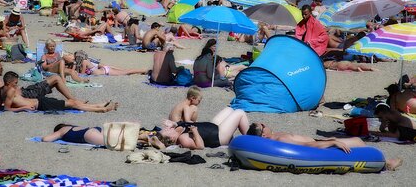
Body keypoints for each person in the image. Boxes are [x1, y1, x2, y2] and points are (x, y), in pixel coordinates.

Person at [246, 122, 402, 170]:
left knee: (356, 141)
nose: (265, 124)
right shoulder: (281, 139)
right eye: (262, 125)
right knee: (359, 142)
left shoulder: (277, 136)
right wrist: (332, 142)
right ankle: (386, 163)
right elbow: (307, 146)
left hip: (317, 141)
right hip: (318, 146)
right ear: (264, 135)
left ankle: (385, 162)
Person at [0, 71, 117, 112]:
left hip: (40, 101)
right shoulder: (10, 91)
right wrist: (23, 108)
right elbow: (6, 109)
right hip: (40, 104)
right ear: (9, 83)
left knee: (71, 104)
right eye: (15, 83)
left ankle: (99, 105)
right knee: (72, 104)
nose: (17, 85)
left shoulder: (4, 91)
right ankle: (101, 109)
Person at [0, 60, 81, 106]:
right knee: (56, 78)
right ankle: (74, 101)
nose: (2, 69)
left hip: (27, 91)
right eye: (0, 68)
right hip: (27, 95)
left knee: (54, 79)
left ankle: (73, 100)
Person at [155, 107, 249, 150]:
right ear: (171, 138)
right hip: (218, 136)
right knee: (239, 112)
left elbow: (188, 123)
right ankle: (252, 140)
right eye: (166, 130)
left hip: (213, 127)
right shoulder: (182, 139)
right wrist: (195, 132)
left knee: (229, 109)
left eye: (165, 128)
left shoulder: (177, 130)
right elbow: (200, 146)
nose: (167, 128)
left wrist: (175, 123)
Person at [73, 50, 146, 76]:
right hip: (104, 70)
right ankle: (142, 72)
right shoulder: (85, 61)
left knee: (126, 72)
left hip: (106, 71)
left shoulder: (84, 62)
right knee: (125, 72)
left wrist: (74, 65)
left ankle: (145, 71)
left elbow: (82, 74)